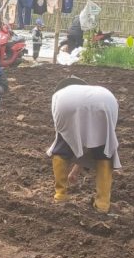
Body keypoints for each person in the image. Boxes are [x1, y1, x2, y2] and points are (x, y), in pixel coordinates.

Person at [47, 76, 120, 214]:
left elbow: (76, 142)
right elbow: (90, 143)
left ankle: (60, 195)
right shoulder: (97, 91)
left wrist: (74, 171)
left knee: (62, 147)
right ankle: (103, 204)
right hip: (107, 101)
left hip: (66, 103)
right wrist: (75, 171)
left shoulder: (60, 94)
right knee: (103, 151)